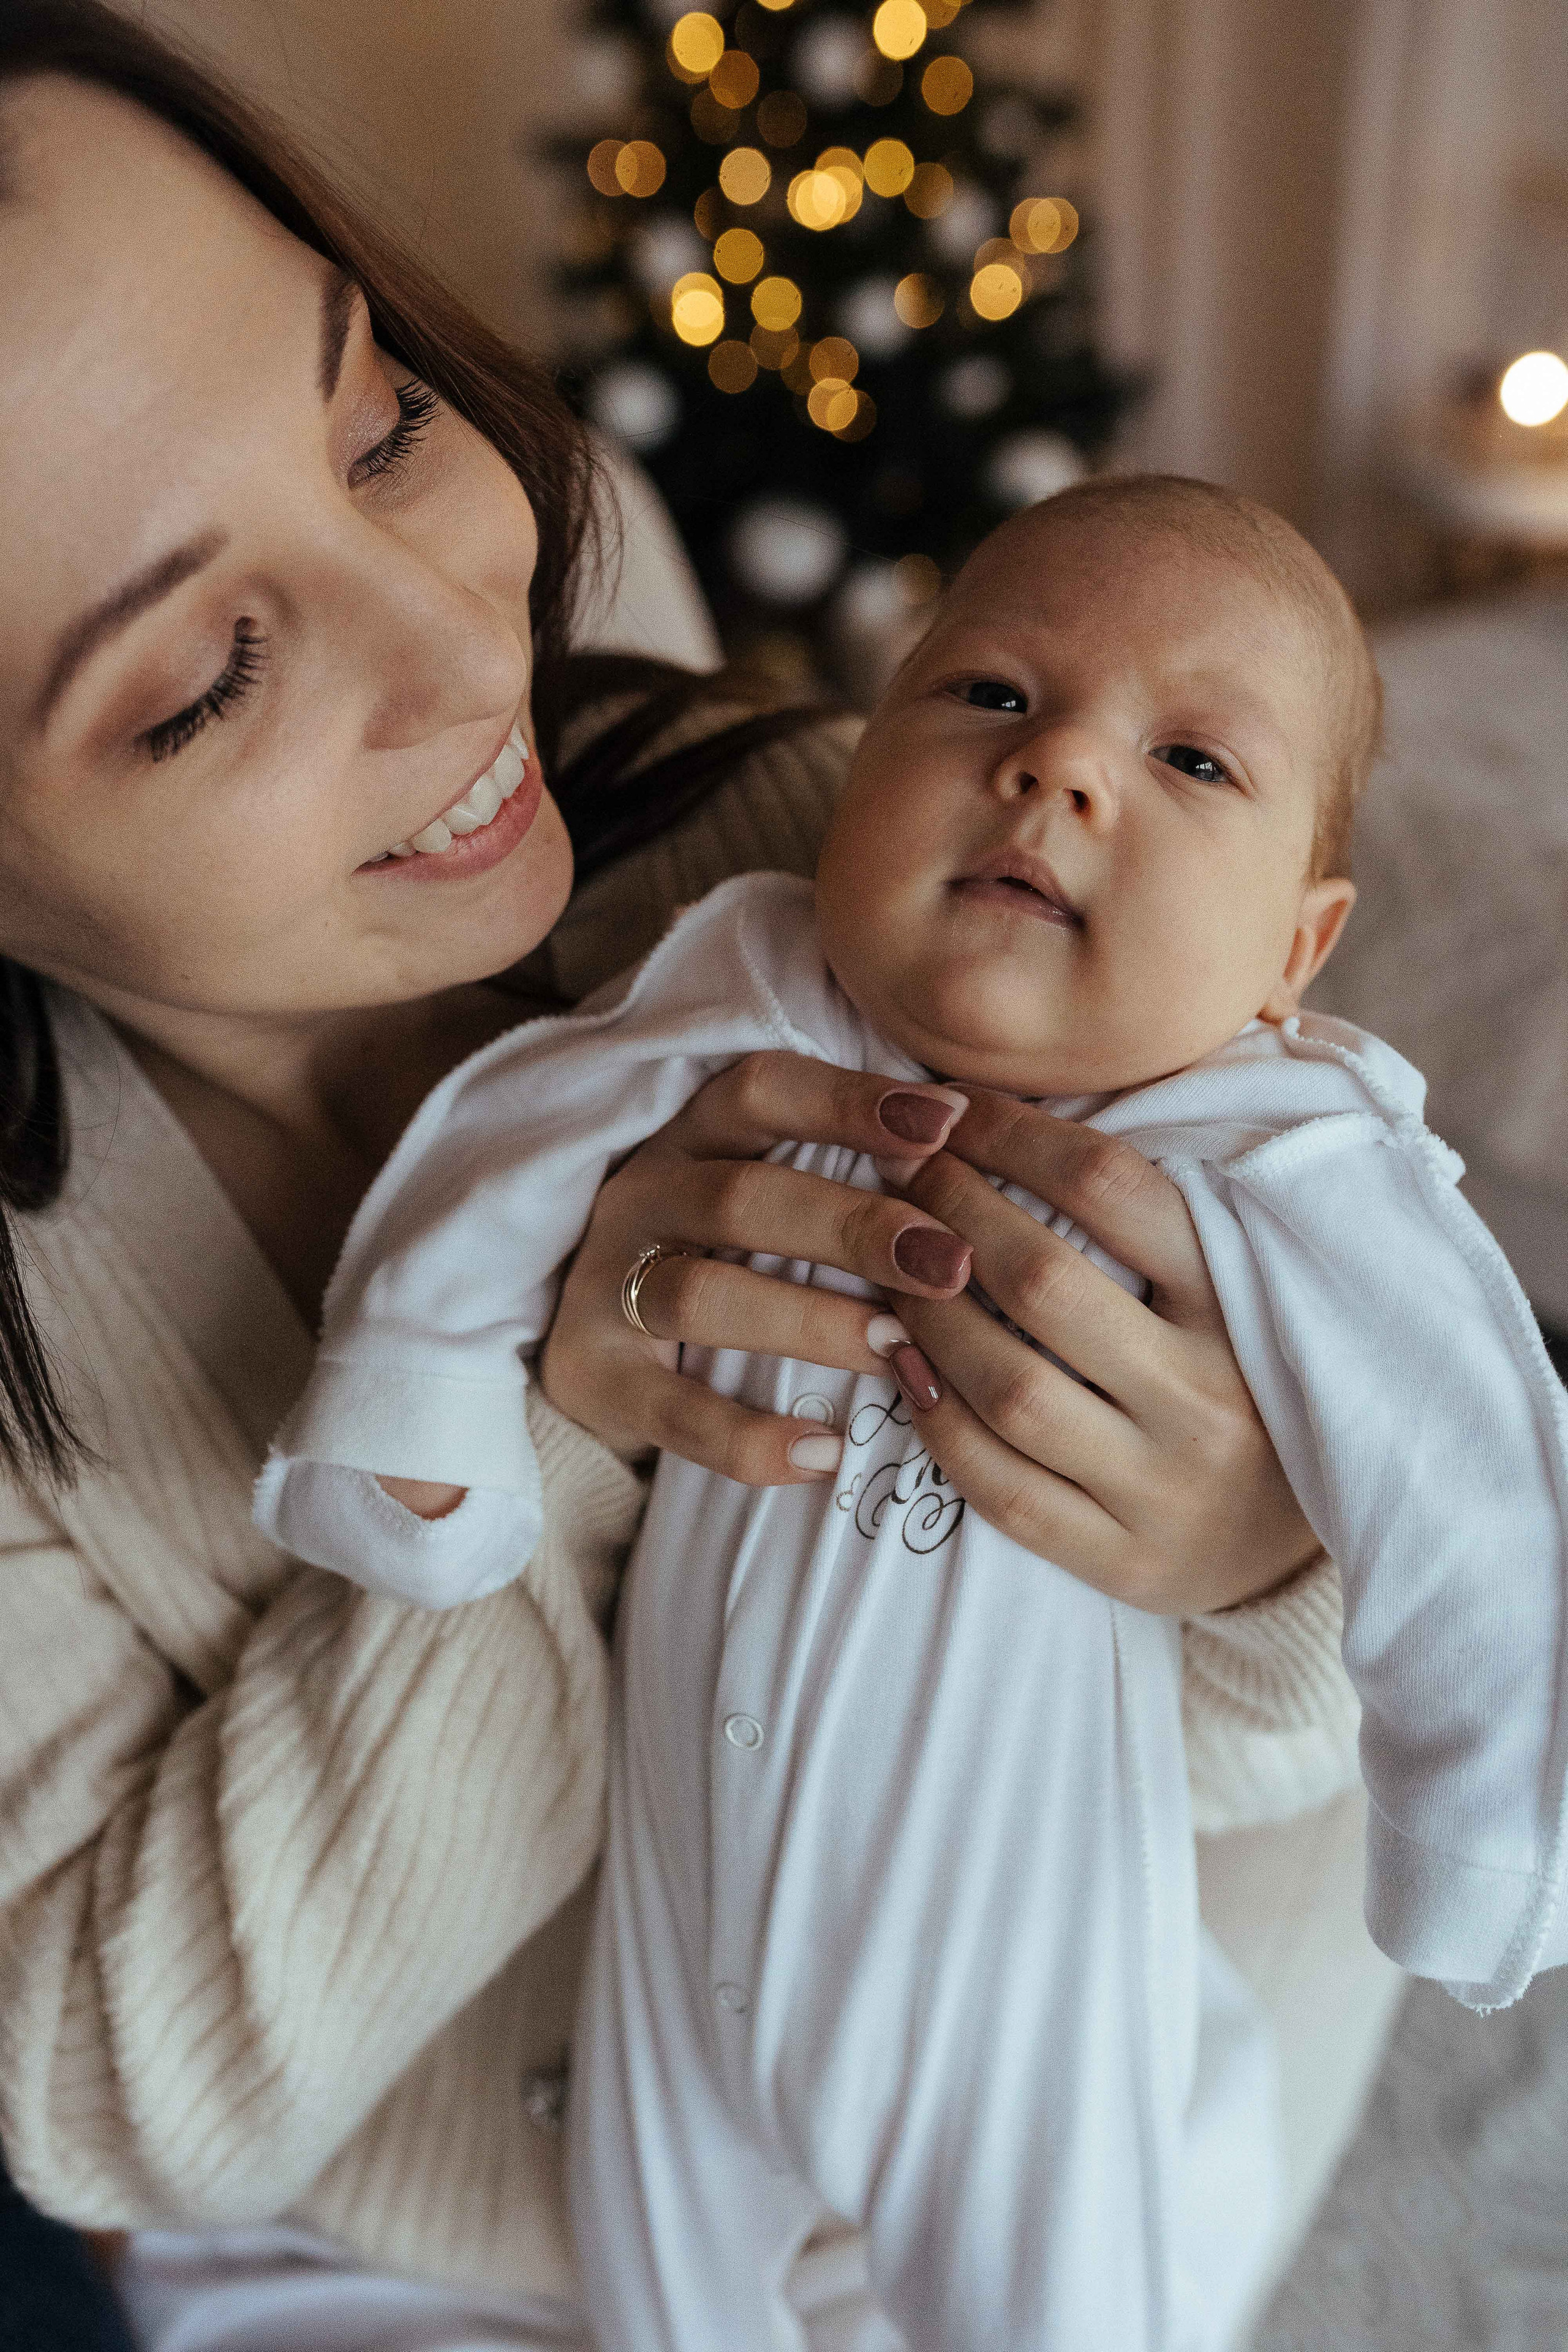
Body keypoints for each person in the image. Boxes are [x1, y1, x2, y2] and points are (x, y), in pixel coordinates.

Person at [0, 9, 1384, 2348]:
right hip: (465, 2248)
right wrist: (542, 1419)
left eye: (388, 421)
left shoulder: (827, 856)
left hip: (1055, 2088)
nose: (470, 646)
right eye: (204, 682)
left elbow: (1290, 1739)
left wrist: (1255, 1552)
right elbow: (124, 2098)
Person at [254, 480, 1568, 2351]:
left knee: (1053, 2301)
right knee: (666, 2284)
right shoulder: (751, 973)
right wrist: (420, 1411)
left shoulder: (1284, 1148)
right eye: (989, 700)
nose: (1058, 778)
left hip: (1018, 1974)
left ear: (1297, 946)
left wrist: (1481, 1819)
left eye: (1191, 758)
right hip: (675, 1916)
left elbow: (1476, 1480)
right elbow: (526, 1127)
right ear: (865, 748)